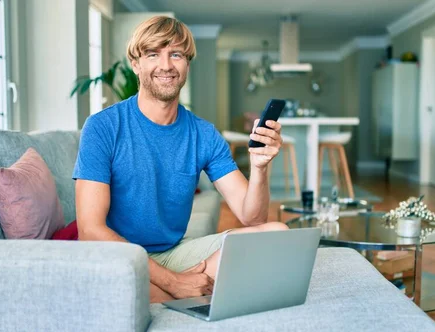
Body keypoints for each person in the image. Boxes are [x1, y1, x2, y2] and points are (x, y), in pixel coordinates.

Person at [73, 15, 288, 303]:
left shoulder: (203, 134)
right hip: (117, 257)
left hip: (172, 253)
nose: (166, 65)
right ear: (136, 64)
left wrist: (260, 168)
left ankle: (175, 299)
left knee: (276, 233)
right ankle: (186, 297)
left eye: (176, 54)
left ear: (187, 63)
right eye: (153, 54)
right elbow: (90, 230)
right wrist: (174, 282)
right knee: (128, 285)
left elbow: (253, 217)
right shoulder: (103, 127)